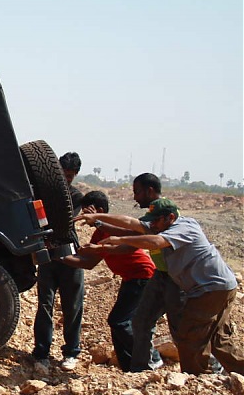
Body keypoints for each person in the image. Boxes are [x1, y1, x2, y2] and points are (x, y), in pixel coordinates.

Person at [77, 198, 242, 375]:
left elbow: (155, 242)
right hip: (219, 286)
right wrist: (97, 217)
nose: (152, 224)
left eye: (156, 220)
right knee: (218, 339)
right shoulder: (161, 225)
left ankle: (197, 377)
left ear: (170, 217)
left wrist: (118, 239)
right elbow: (130, 222)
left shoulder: (183, 228)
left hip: (210, 288)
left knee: (189, 337)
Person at [60, 191, 155, 371]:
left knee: (120, 322)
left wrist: (61, 257)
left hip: (142, 276)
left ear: (99, 211)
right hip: (131, 278)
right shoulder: (99, 233)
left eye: (88, 211)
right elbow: (88, 263)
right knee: (117, 322)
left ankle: (150, 356)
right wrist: (59, 257)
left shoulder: (111, 228)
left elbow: (118, 248)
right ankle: (130, 367)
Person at [32, 152, 84, 371]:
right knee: (45, 305)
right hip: (48, 256)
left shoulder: (75, 196)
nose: (66, 179)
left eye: (70, 176)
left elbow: (67, 222)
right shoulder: (41, 192)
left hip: (70, 256)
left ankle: (71, 353)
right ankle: (41, 353)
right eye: (63, 174)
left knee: (72, 306)